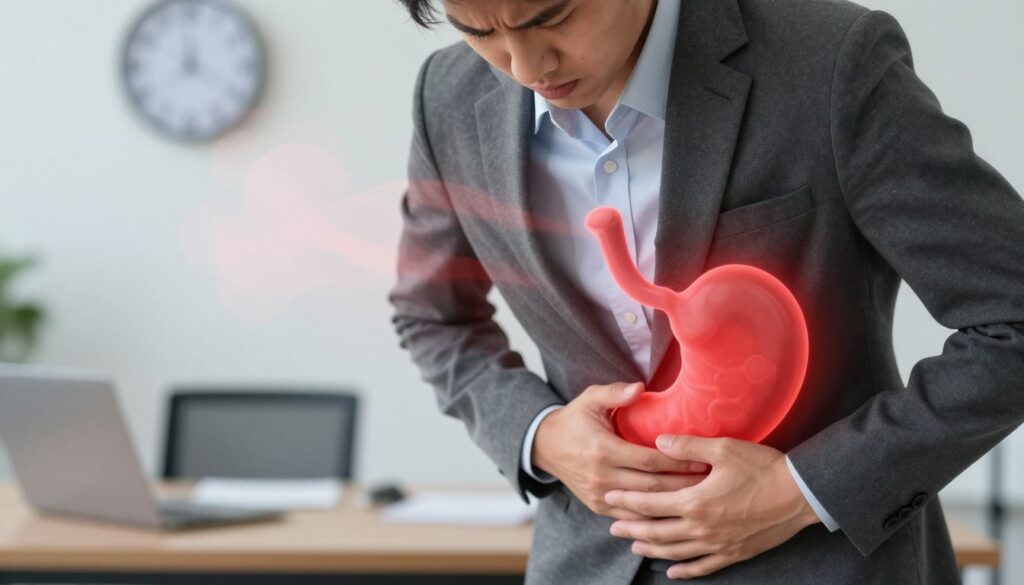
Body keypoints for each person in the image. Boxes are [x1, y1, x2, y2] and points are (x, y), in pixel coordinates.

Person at [387, 0, 1024, 583]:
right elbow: (431, 316)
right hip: (585, 562)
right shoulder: (447, 97)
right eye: (479, 31)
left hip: (823, 563)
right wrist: (541, 434)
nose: (526, 66)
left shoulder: (830, 62)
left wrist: (805, 490)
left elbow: (1012, 319)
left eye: (551, 16)